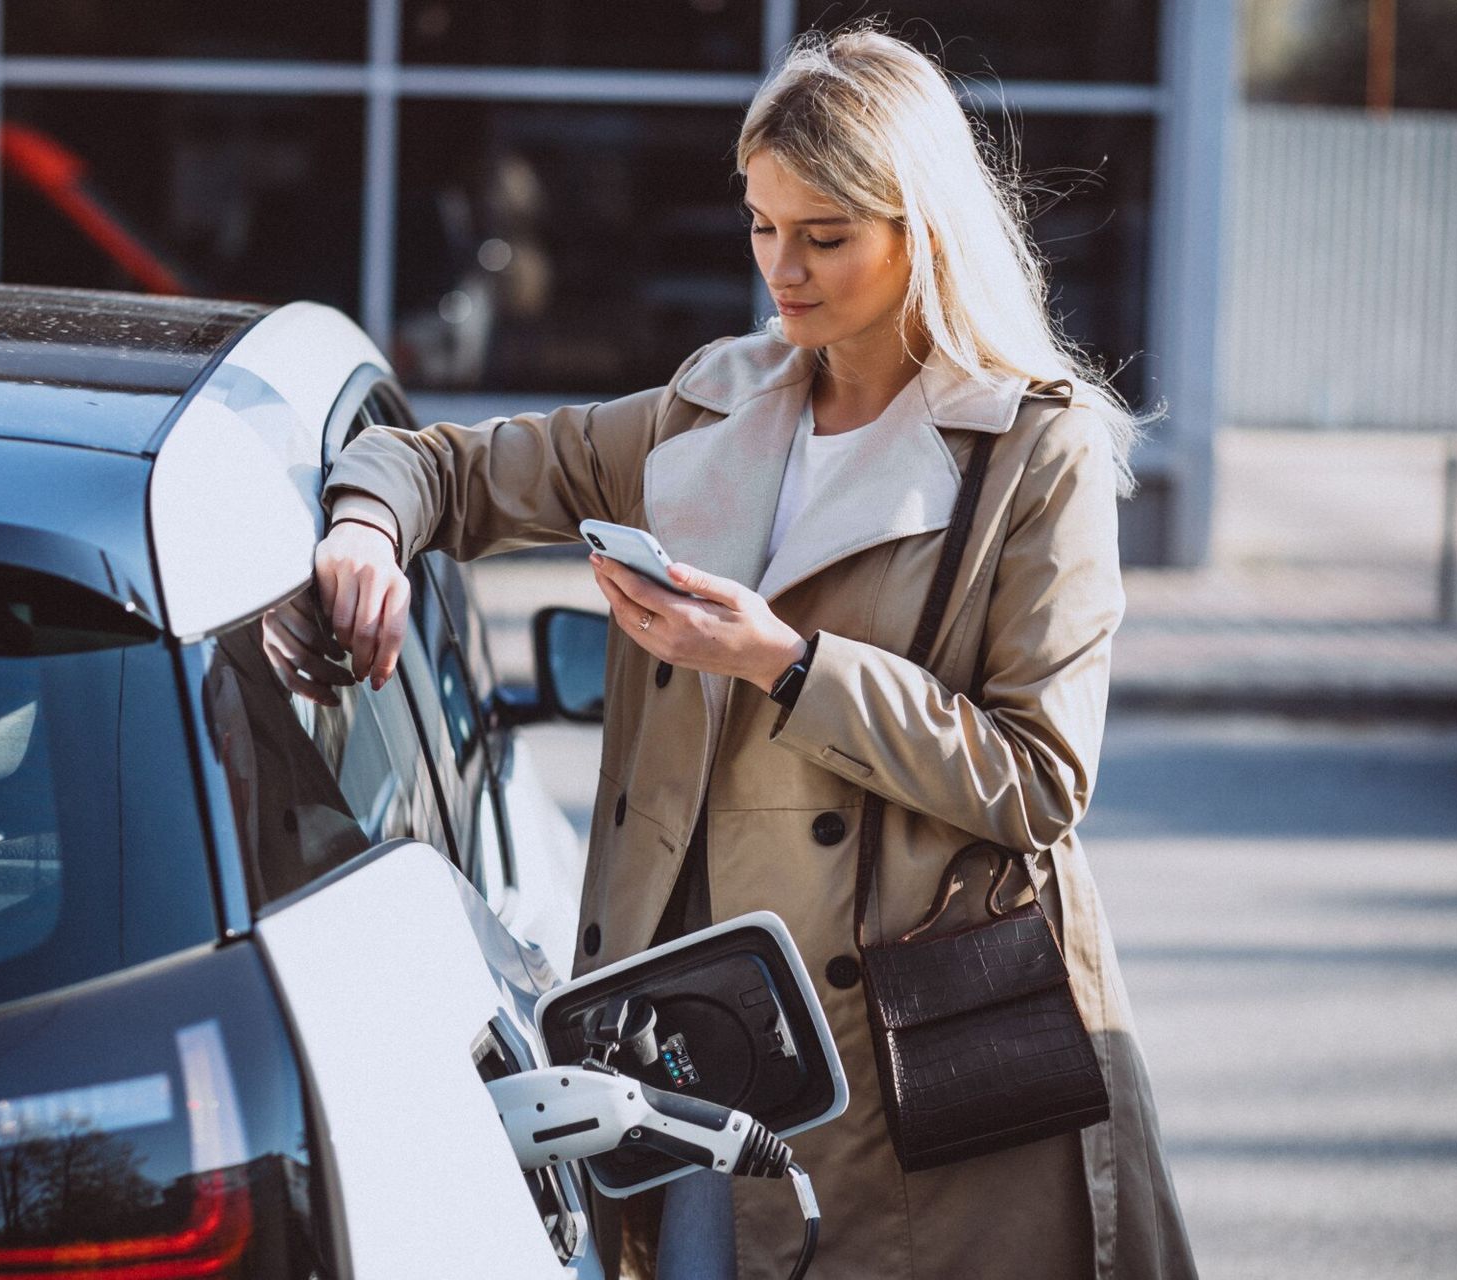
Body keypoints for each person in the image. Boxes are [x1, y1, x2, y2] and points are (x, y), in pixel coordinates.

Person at [280, 25, 1198, 1280]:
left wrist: (788, 662)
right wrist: (364, 530)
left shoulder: (1037, 451)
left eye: (826, 236)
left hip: (917, 1060)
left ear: (918, 228)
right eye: (764, 226)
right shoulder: (713, 403)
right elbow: (446, 464)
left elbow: (1037, 775)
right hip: (701, 1044)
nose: (784, 268)